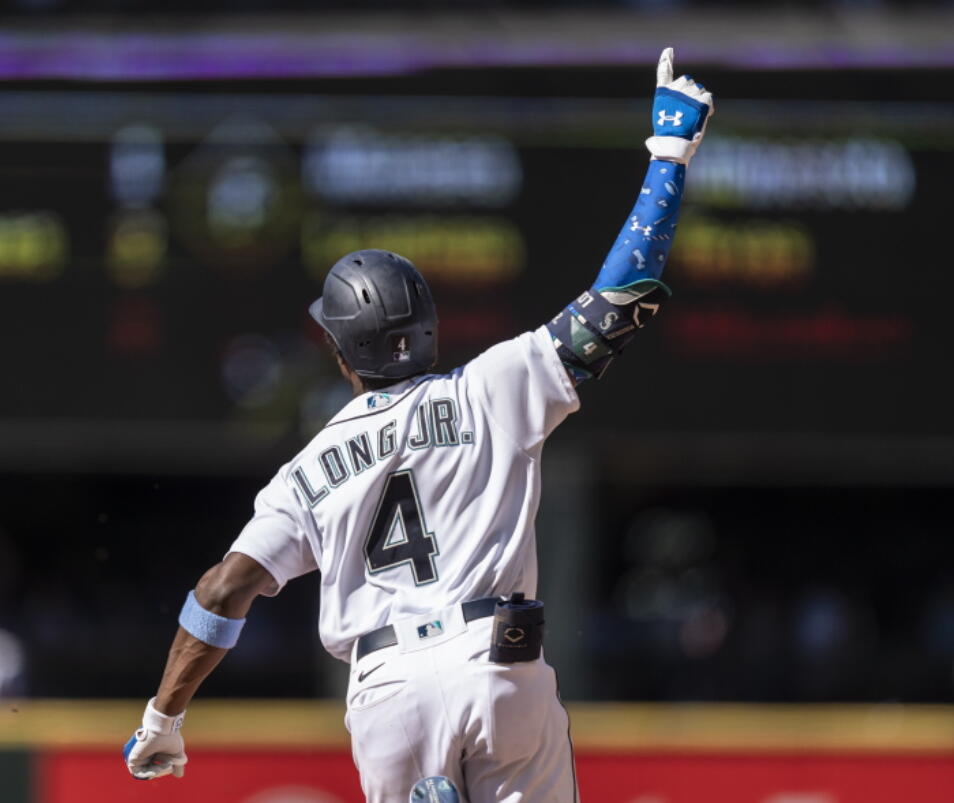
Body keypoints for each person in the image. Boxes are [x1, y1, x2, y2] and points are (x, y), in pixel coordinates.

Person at [123, 48, 713, 802]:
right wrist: (668, 157)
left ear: (339, 353)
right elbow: (619, 300)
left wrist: (164, 714)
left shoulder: (309, 466)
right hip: (496, 660)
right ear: (429, 325)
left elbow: (224, 587)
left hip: (386, 689)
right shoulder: (496, 385)